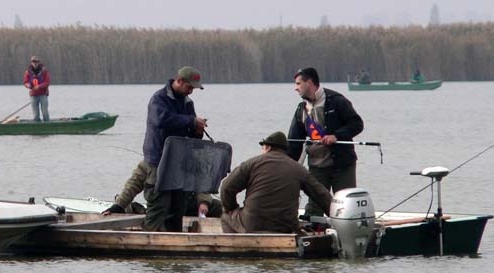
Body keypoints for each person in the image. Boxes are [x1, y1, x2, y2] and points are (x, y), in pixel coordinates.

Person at [287, 67, 364, 219]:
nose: (295, 88)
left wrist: (336, 136)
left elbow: (357, 124)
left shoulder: (336, 101)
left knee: (346, 206)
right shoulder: (301, 109)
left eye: (298, 83)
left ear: (310, 83)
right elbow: (294, 143)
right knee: (314, 208)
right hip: (317, 166)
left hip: (342, 165)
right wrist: (285, 165)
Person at [220, 131, 332, 234]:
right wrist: (336, 217)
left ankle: (238, 245)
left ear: (268, 147)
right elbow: (321, 195)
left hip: (253, 224)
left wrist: (231, 207)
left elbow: (227, 188)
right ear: (284, 150)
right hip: (285, 227)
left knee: (226, 216)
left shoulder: (251, 164)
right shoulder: (298, 169)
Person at [142, 66, 208, 231]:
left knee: (178, 208)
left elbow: (190, 134)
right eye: (189, 87)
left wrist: (198, 131)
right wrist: (191, 121)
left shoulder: (187, 103)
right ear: (178, 81)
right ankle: (150, 241)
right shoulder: (159, 99)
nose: (191, 91)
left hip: (179, 163)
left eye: (193, 88)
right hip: (158, 161)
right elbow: (161, 120)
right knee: (159, 205)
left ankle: (174, 242)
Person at [101, 159, 222, 217]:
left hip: (190, 205)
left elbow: (201, 184)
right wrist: (118, 206)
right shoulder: (149, 162)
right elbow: (132, 185)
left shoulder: (189, 159)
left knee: (220, 207)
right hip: (164, 207)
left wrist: (204, 202)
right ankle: (131, 208)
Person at [23, 56, 51, 121]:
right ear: (31, 62)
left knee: (45, 113)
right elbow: (25, 82)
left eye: (36, 62)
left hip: (43, 95)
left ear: (39, 62)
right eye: (33, 62)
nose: (35, 63)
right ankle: (37, 127)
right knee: (35, 115)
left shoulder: (44, 71)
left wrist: (39, 86)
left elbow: (47, 82)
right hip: (33, 95)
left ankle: (47, 126)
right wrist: (28, 85)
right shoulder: (28, 72)